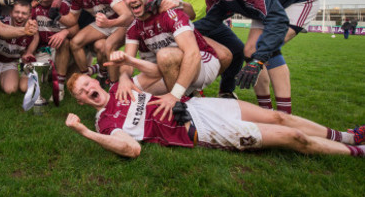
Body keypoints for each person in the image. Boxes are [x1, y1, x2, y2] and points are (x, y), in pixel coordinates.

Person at [65, 73, 365, 159]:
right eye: (82, 90)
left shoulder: (121, 87)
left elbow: (155, 72)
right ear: (80, 100)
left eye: (88, 82)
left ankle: (349, 135)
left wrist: (126, 71)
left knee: (278, 117)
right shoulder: (105, 124)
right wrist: (84, 133)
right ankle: (356, 152)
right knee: (293, 138)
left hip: (200, 106)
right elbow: (132, 149)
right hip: (196, 130)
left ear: (97, 82)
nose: (89, 88)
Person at [196, 0, 320, 114]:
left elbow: (276, 21)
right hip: (267, 7)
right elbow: (211, 21)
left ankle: (284, 115)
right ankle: (265, 110)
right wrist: (180, 29)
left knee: (268, 50)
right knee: (249, 52)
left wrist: (259, 60)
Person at [108, 0, 229, 116]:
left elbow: (193, 54)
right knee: (122, 94)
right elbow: (127, 62)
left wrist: (174, 96)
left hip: (202, 63)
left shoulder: (169, 13)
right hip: (168, 70)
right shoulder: (133, 28)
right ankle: (187, 95)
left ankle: (182, 106)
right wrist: (123, 78)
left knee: (165, 56)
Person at [59, 0, 133, 84]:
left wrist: (109, 23)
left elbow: (128, 15)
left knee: (108, 46)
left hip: (121, 23)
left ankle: (113, 86)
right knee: (76, 43)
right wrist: (57, 16)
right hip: (104, 23)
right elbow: (72, 19)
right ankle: (87, 76)